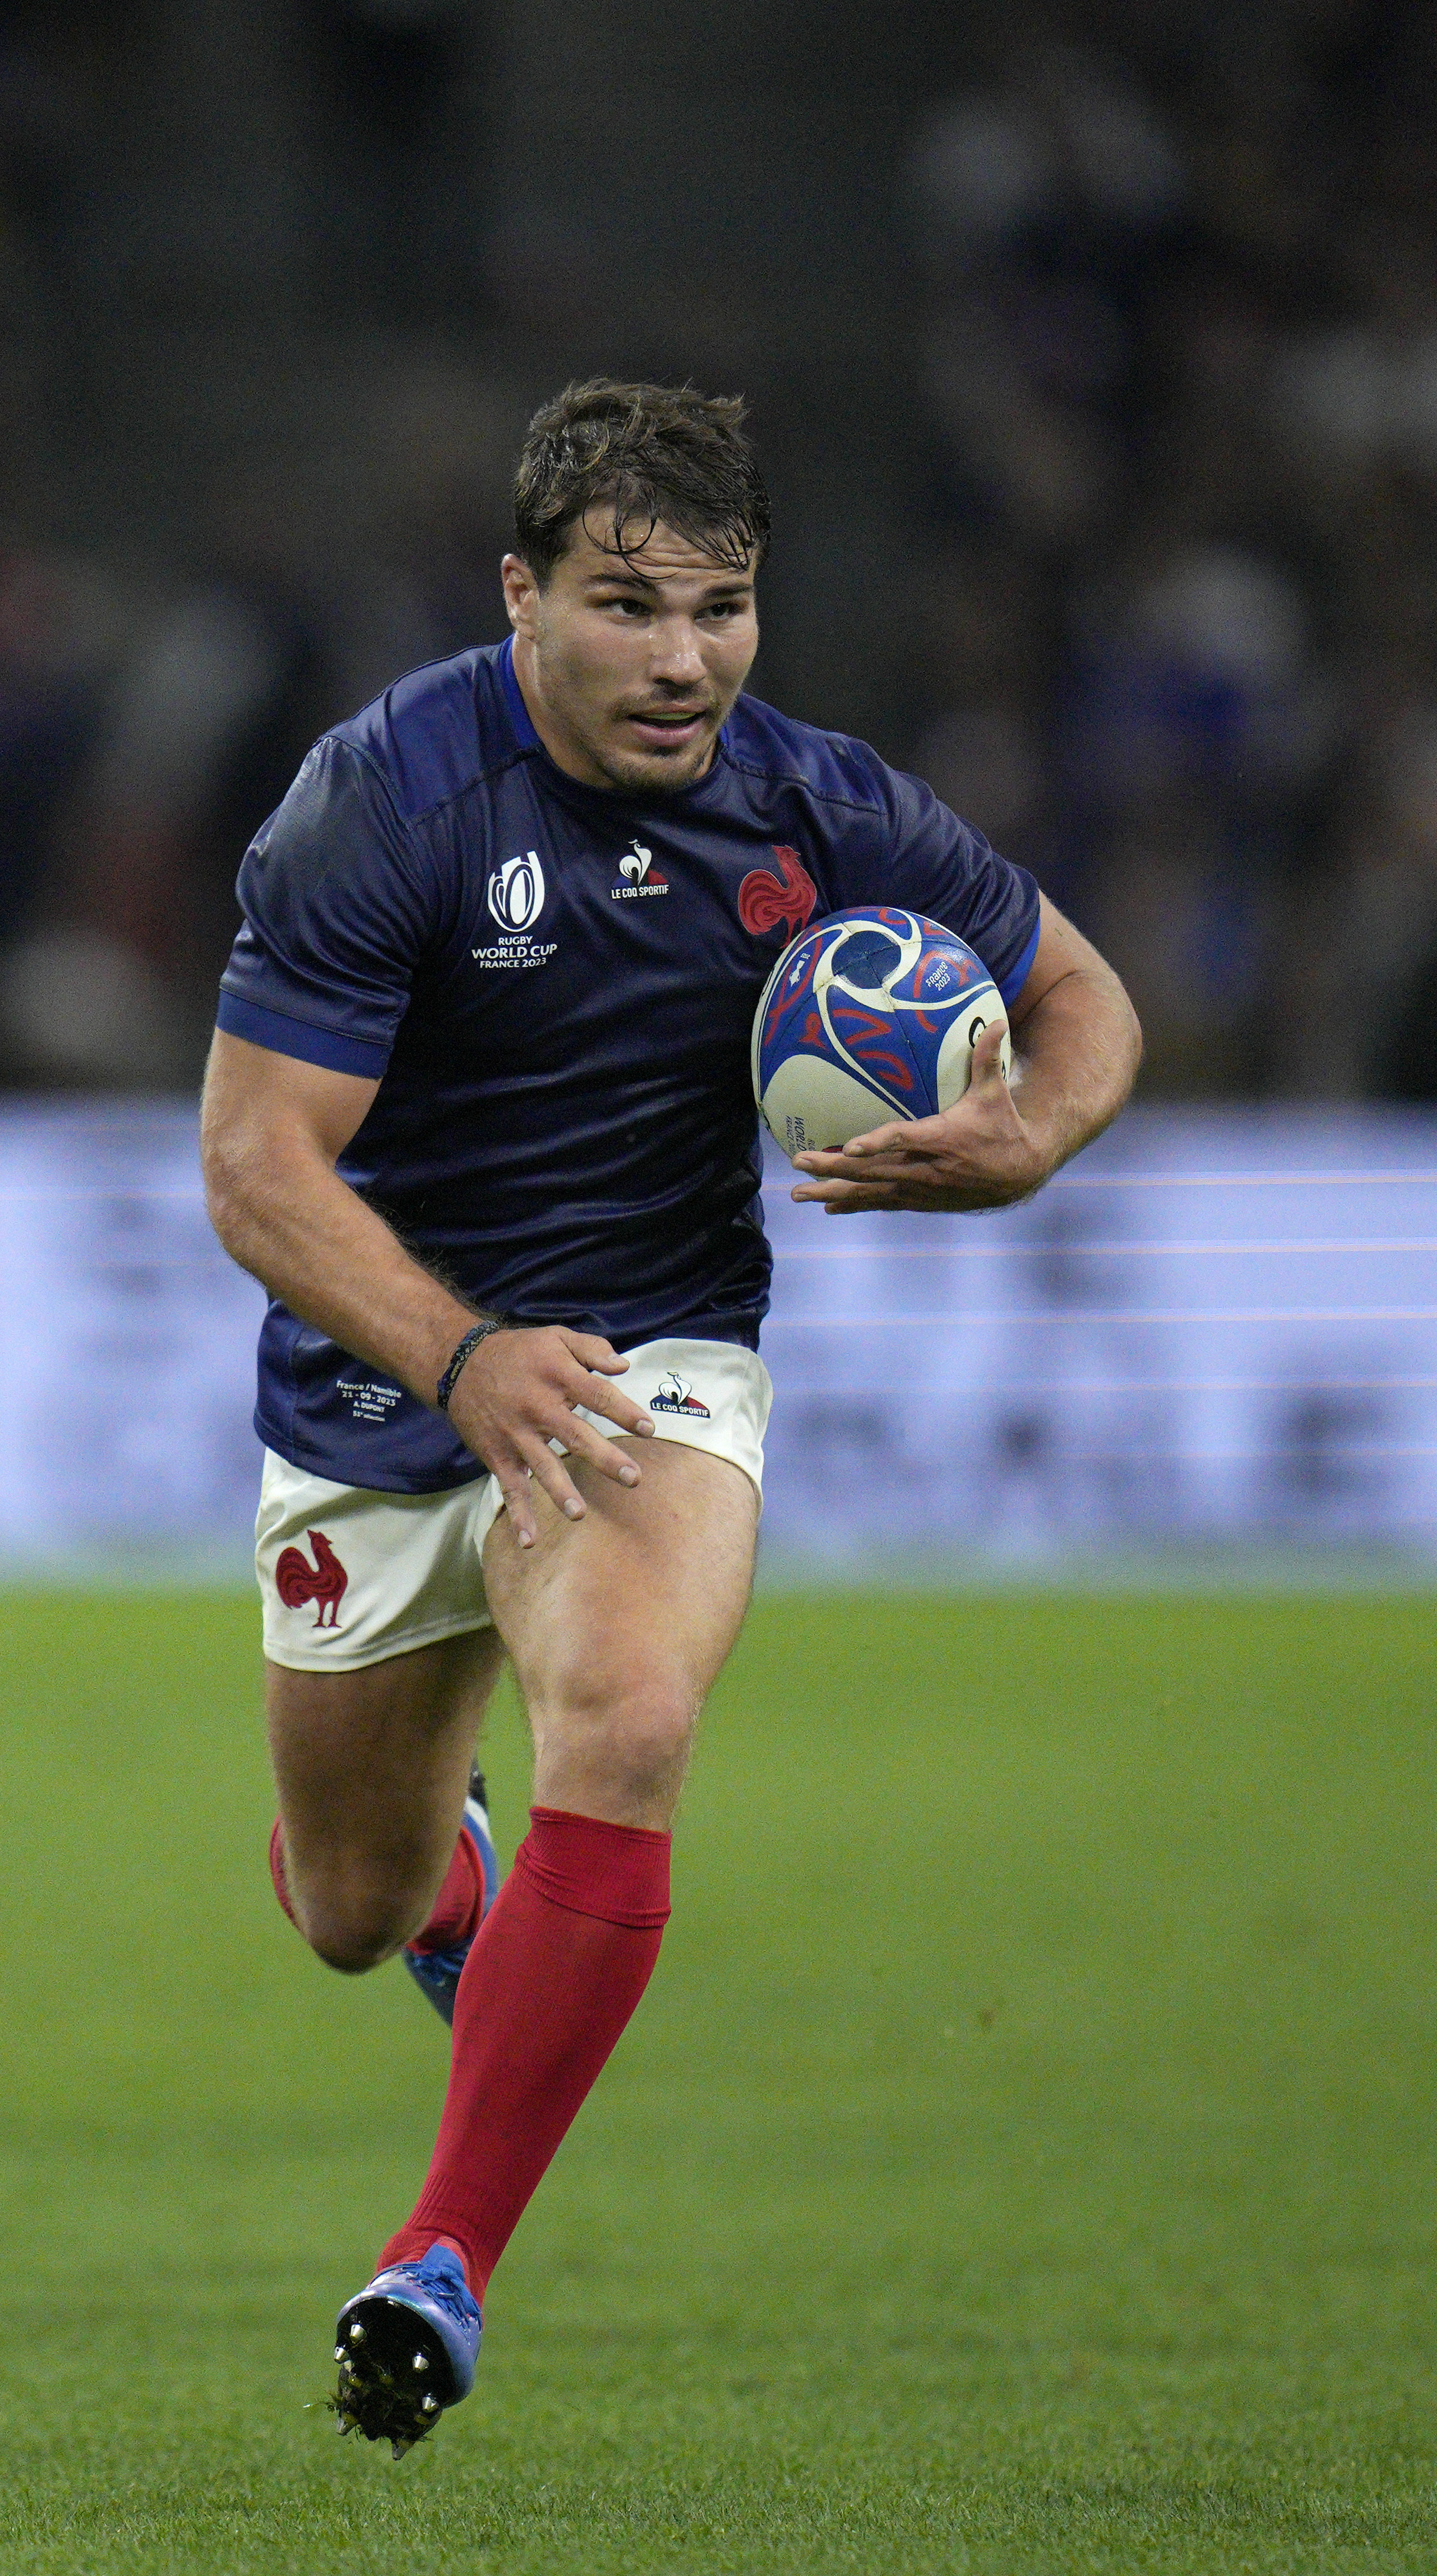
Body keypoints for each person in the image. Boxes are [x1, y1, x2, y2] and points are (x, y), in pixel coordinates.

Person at [199, 379, 1139, 2449]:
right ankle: (445, 1886)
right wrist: (456, 1358)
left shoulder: (816, 805)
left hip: (649, 1352)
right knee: (348, 1913)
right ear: (521, 594)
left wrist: (1031, 1137)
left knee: (623, 1715)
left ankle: (435, 2268)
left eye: (722, 608)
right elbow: (258, 1166)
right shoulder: (384, 798)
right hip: (384, 1379)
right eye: (630, 606)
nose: (686, 658)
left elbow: (1086, 1000)